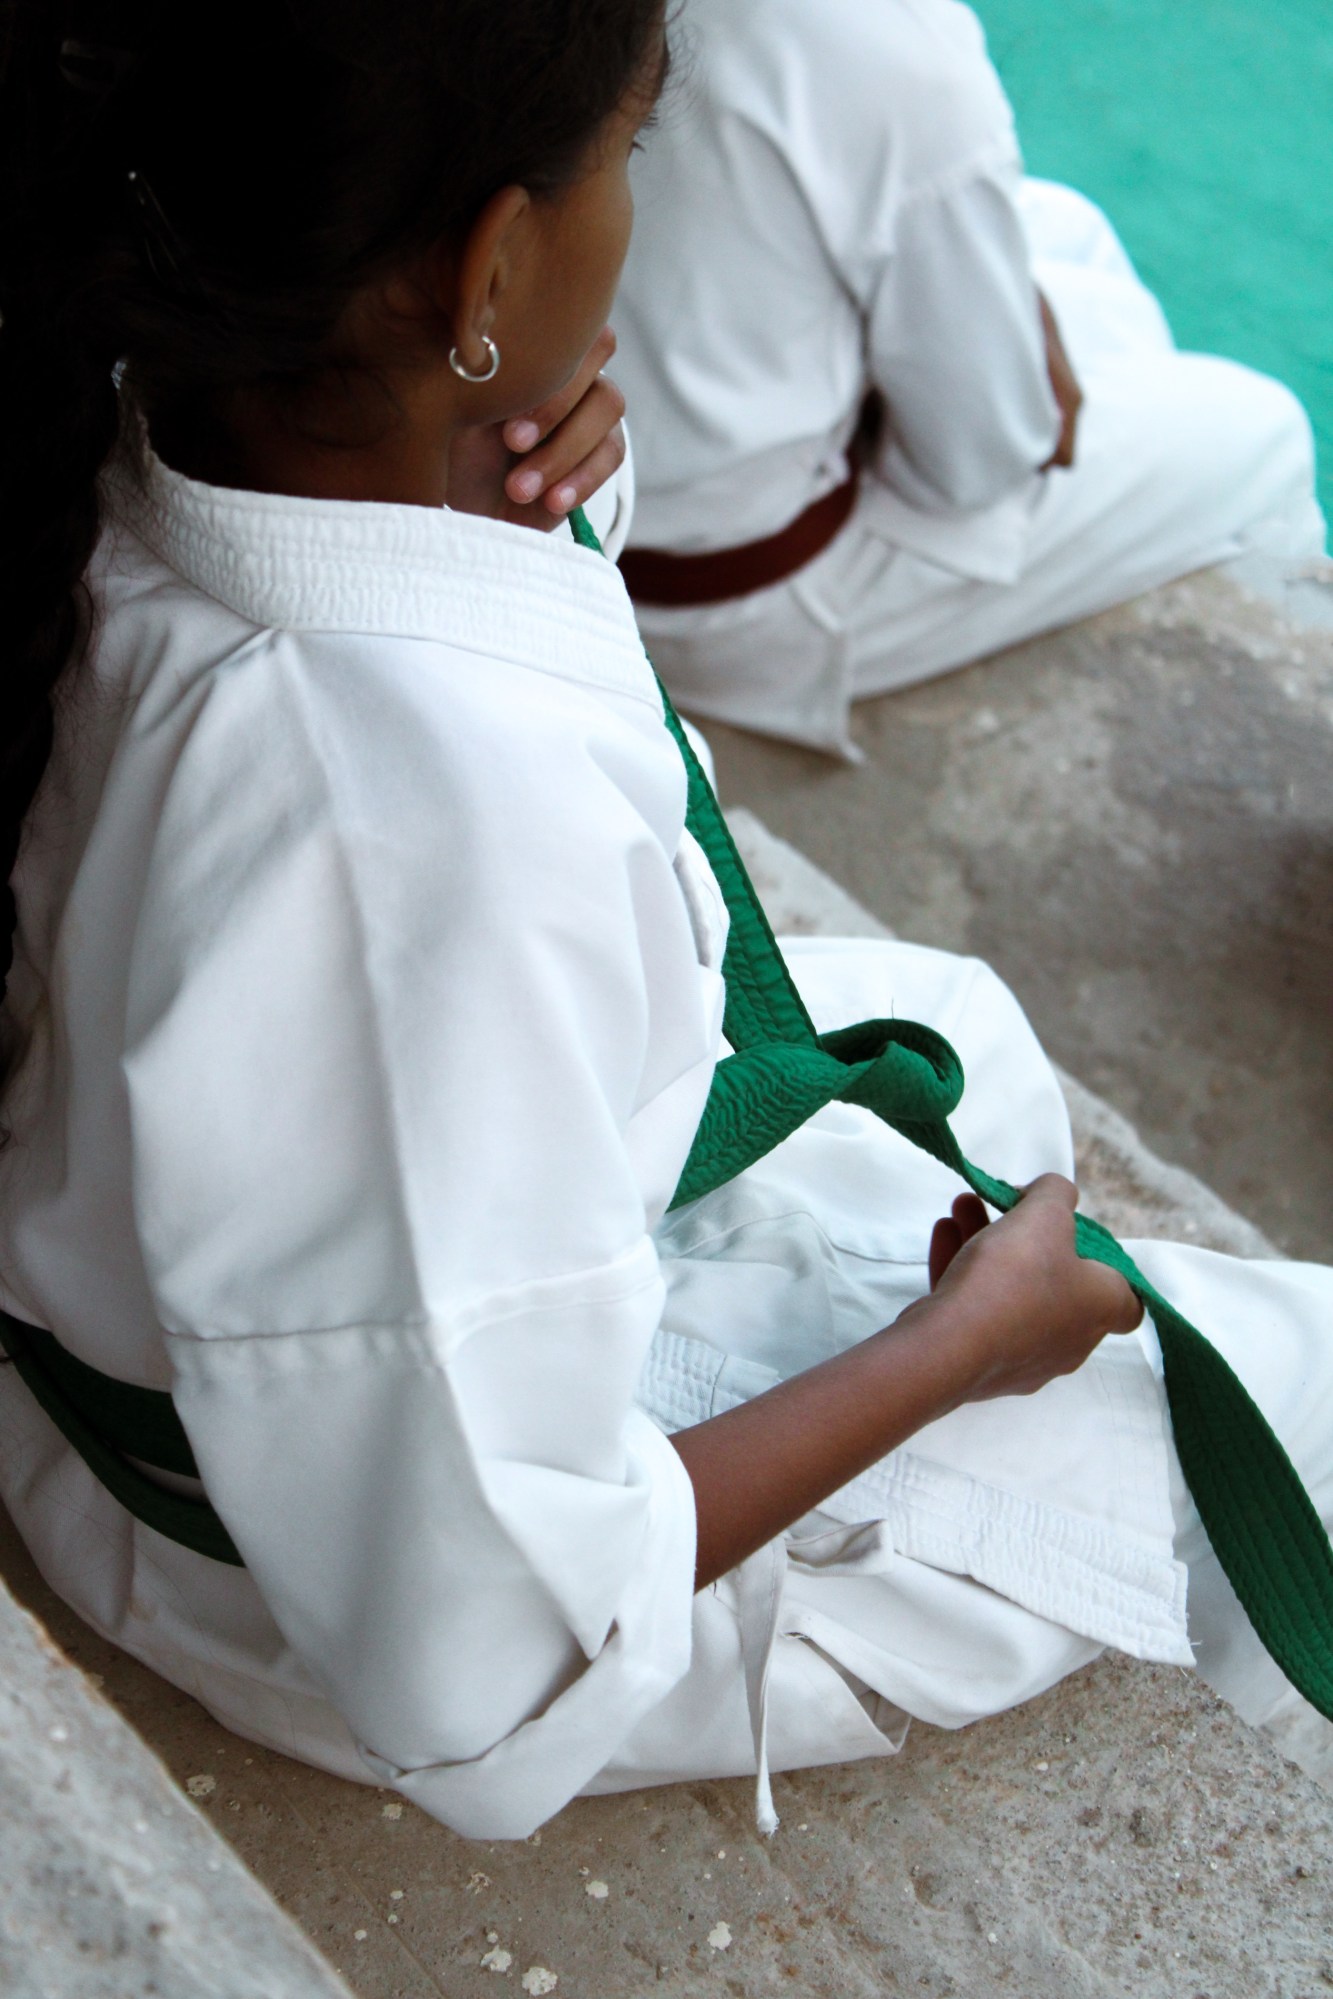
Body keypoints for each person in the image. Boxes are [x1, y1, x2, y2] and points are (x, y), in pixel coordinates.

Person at [0, 0, 1329, 1847]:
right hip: (284, 1580)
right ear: (480, 263)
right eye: (626, 156)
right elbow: (479, 1645)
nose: (633, 202)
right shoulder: (436, 835)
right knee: (1269, 1396)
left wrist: (512, 459)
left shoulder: (147, 440)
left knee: (963, 1039)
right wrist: (953, 1354)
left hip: (154, 1377)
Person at [612, 0, 1328, 756]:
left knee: (1068, 226)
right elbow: (976, 468)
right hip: (737, 609)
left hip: (616, 498)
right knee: (1270, 431)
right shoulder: (900, 44)